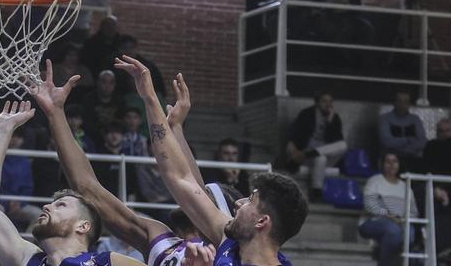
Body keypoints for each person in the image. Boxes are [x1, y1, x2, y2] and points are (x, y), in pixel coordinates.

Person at [28, 62, 230, 266]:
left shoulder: (231, 251)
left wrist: (153, 103)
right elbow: (87, 188)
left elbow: (187, 182)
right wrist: (55, 114)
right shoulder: (159, 240)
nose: (199, 193)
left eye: (210, 195)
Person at [115, 55, 308, 266]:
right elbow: (181, 178)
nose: (239, 202)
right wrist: (151, 99)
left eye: (251, 200)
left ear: (262, 221)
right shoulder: (231, 241)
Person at [0, 100, 148, 266]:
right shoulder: (29, 259)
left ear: (83, 226)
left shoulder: (108, 261)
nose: (46, 206)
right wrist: (3, 129)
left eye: (61, 205)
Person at [358, 151, 418, 266]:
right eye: (388, 162)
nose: (391, 165)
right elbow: (369, 204)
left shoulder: (405, 186)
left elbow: (413, 211)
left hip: (400, 222)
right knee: (393, 229)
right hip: (372, 221)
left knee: (410, 232)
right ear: (382, 164)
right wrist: (388, 215)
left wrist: (402, 219)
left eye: (394, 161)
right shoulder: (374, 181)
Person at [285, 91, 347, 200]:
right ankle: (316, 191)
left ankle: (312, 153)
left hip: (321, 156)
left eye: (330, 101)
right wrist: (293, 150)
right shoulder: (306, 114)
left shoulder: (335, 118)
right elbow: (294, 134)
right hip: (306, 157)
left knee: (343, 145)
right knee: (320, 158)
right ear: (317, 102)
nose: (328, 104)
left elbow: (335, 140)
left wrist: (330, 122)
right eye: (324, 101)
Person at [0, 130, 42, 232]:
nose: (14, 140)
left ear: (22, 140)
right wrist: (6, 202)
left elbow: (28, 187)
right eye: (12, 136)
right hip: (0, 202)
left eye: (18, 137)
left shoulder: (25, 162)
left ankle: (25, 246)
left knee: (39, 215)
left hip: (20, 204)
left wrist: (20, 202)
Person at [378, 90, 427, 171]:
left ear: (409, 104)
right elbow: (387, 142)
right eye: (399, 101)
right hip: (390, 160)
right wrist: (409, 140)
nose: (402, 105)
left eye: (406, 102)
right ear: (394, 103)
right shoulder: (385, 119)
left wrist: (404, 148)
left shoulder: (415, 119)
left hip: (413, 159)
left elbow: (422, 142)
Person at [81, 70, 125, 137]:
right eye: (104, 82)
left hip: (115, 137)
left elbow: (122, 122)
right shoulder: (89, 100)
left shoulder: (120, 101)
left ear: (115, 84)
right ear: (98, 83)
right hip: (92, 137)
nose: (107, 86)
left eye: (111, 82)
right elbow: (86, 123)